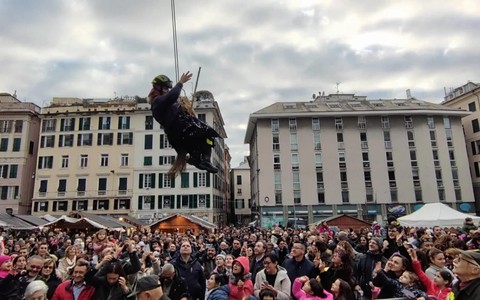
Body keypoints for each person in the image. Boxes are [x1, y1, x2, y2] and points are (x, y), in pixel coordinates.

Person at [148, 72, 220, 174]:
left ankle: (200, 159)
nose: (167, 91)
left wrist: (188, 111)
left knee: (207, 138)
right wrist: (180, 83)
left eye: (168, 89)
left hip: (180, 132)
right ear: (158, 88)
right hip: (180, 131)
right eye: (165, 89)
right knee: (207, 131)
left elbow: (174, 105)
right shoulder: (157, 102)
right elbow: (171, 97)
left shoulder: (167, 104)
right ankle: (200, 159)